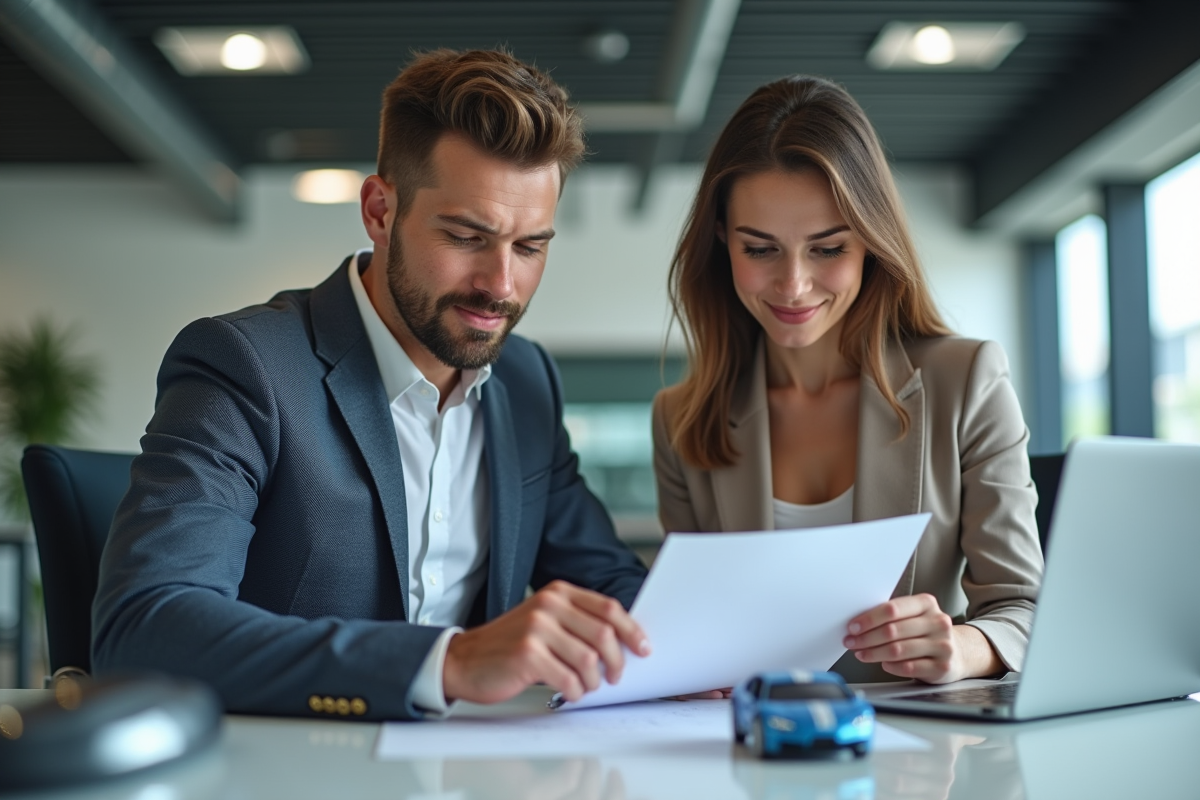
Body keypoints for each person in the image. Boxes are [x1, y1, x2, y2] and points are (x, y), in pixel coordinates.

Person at [93, 49, 651, 721]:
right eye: (468, 236)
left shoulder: (526, 380)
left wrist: (695, 647)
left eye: (530, 247)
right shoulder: (245, 366)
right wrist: (448, 664)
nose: (501, 285)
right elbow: (146, 625)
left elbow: (608, 582)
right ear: (381, 210)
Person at [652, 75, 1043, 685]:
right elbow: (692, 627)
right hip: (757, 754)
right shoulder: (681, 420)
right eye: (760, 250)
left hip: (924, 758)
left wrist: (962, 647)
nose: (793, 285)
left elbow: (1024, 606)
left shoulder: (966, 381)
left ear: (870, 243)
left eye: (828, 249)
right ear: (722, 240)